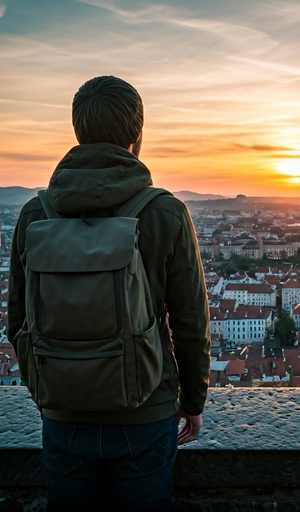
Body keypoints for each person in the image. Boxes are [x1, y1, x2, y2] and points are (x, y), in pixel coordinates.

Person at [7, 75, 211, 511]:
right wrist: (193, 402)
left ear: (78, 132)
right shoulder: (165, 212)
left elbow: (17, 323)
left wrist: (52, 386)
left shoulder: (34, 214)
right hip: (146, 411)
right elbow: (190, 323)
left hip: (63, 415)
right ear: (137, 136)